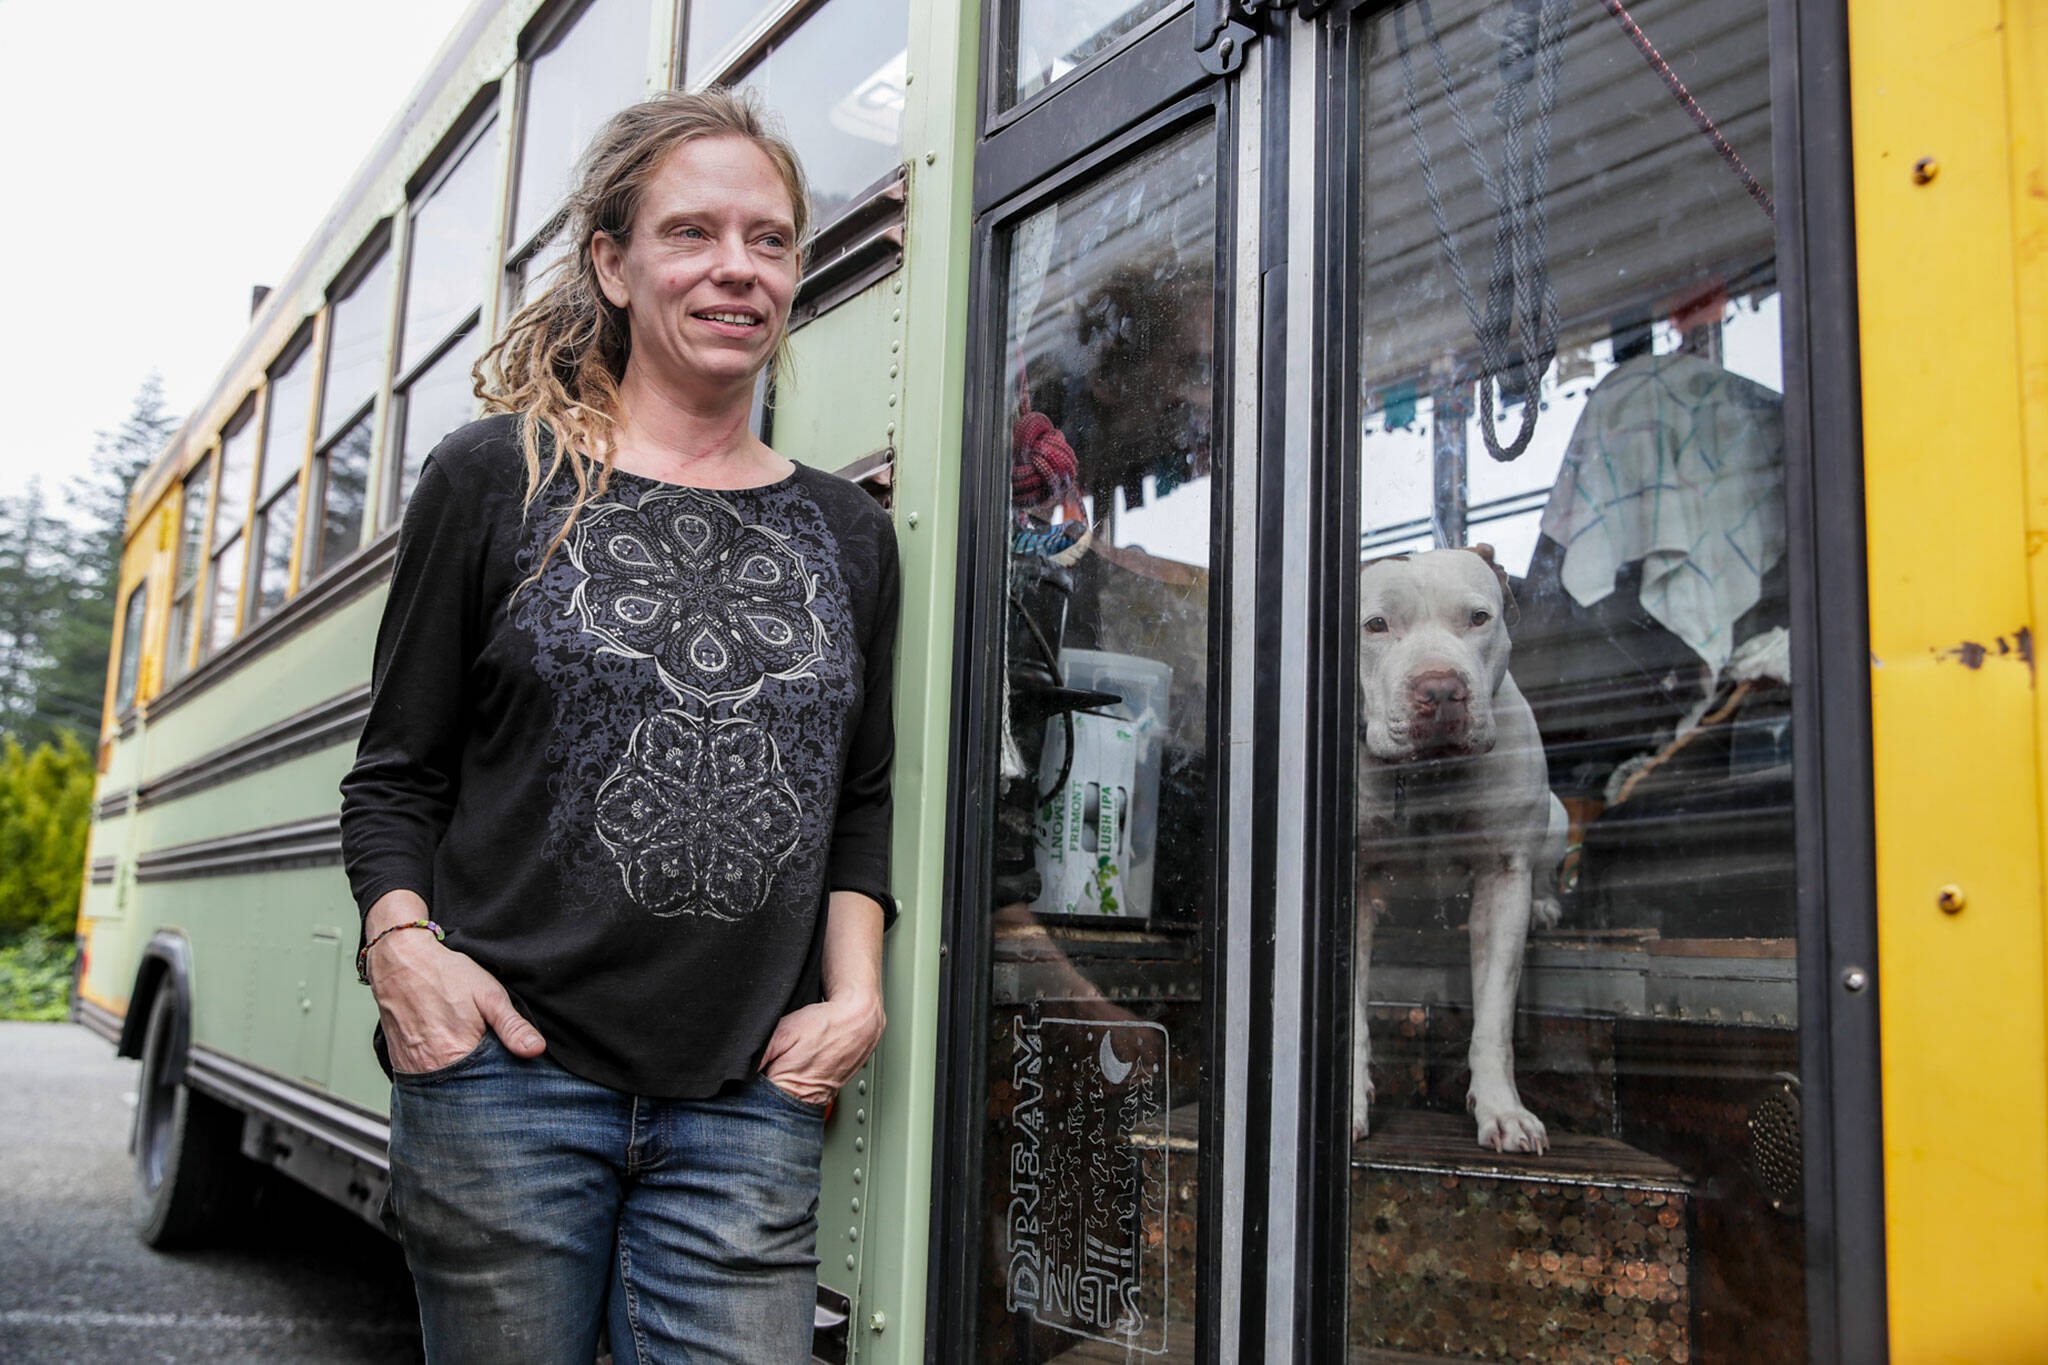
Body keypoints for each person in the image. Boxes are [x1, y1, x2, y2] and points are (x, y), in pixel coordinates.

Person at [338, 89, 897, 1364]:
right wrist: (405, 953)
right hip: (506, 1080)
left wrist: (854, 1000)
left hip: (745, 1100)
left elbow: (856, 800)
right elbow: (397, 775)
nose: (736, 268)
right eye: (692, 232)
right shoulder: (495, 477)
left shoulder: (848, 533)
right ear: (612, 264)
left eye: (768, 239)